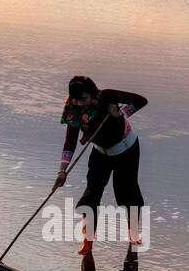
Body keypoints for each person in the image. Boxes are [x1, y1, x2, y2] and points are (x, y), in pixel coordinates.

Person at [52, 75, 147, 255]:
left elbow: (141, 100)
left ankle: (133, 234)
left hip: (126, 150)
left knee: (127, 192)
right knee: (91, 194)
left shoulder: (108, 96)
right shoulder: (73, 107)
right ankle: (87, 242)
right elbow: (70, 141)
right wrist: (62, 171)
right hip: (100, 152)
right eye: (76, 99)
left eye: (83, 99)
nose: (80, 103)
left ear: (93, 94)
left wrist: (120, 113)